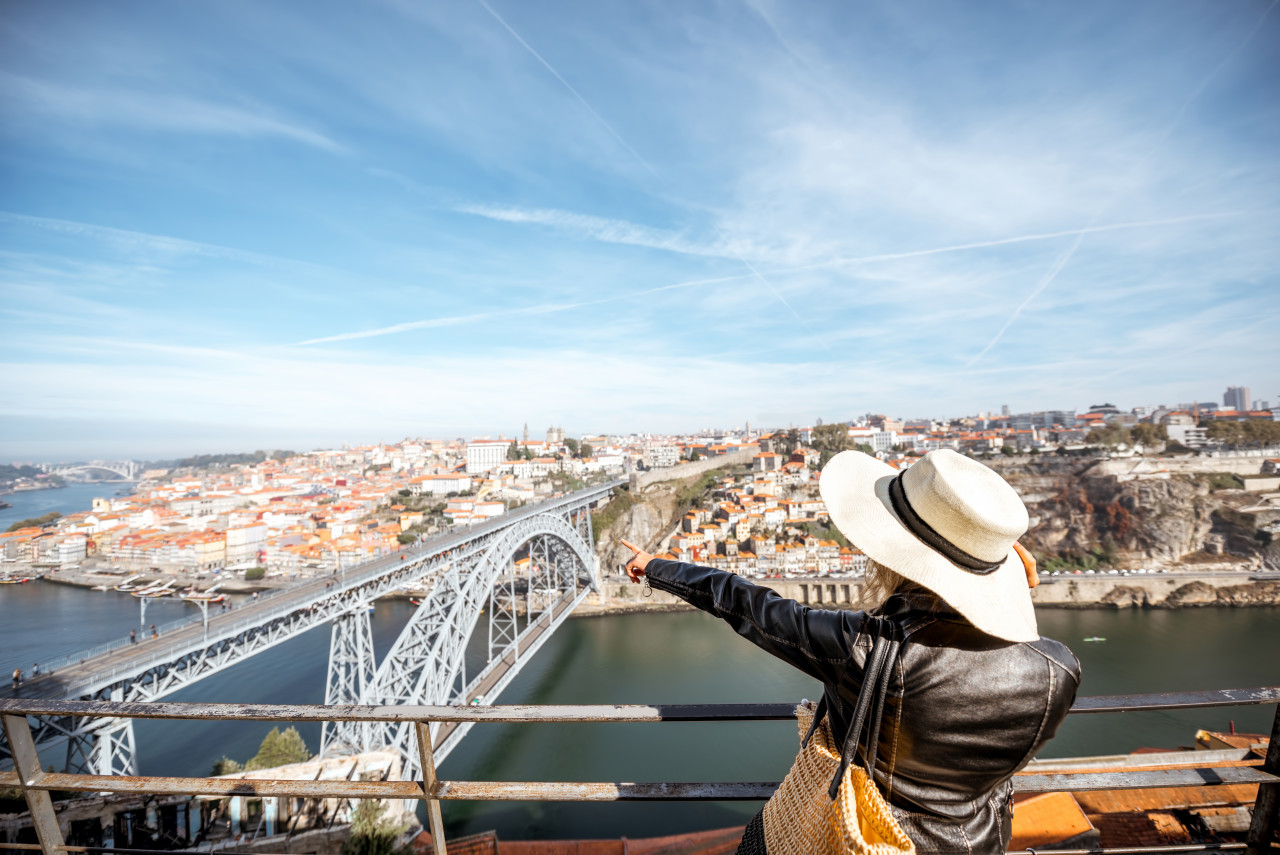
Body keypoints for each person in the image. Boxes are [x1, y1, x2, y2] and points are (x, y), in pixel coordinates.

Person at [621, 449, 1080, 855]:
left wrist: (656, 568)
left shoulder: (868, 648)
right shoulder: (1059, 670)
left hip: (868, 837)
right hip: (982, 841)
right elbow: (1005, 640)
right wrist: (1007, 592)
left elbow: (749, 605)